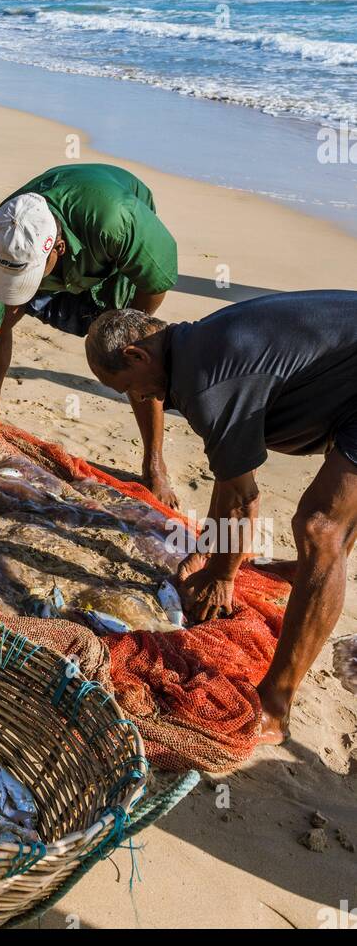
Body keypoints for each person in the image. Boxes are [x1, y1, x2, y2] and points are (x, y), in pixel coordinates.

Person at [84, 291, 357, 745]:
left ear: (136, 353)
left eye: (129, 385)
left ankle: (275, 703)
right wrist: (211, 552)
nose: (139, 397)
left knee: (320, 527)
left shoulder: (207, 385)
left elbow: (243, 498)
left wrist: (221, 575)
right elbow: (229, 481)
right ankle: (301, 574)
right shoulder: (195, 343)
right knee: (334, 511)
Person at [0, 165, 179, 504]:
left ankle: (155, 462)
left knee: (133, 352)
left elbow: (159, 278)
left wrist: (132, 323)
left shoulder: (117, 221)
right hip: (64, 256)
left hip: (106, 253)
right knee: (3, 321)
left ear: (55, 248)